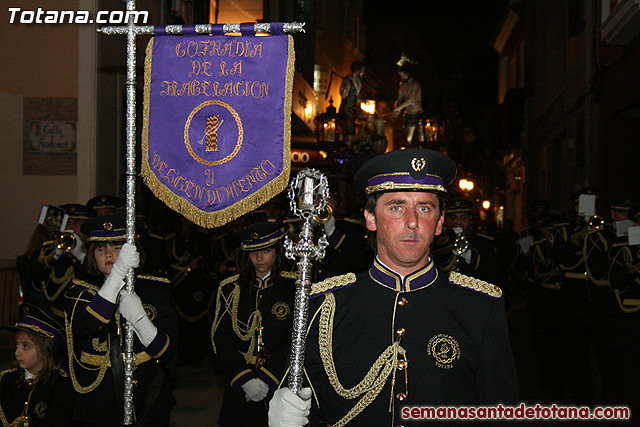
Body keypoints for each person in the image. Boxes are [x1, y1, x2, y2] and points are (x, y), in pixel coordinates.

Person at [268, 148, 519, 426]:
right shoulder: (325, 305)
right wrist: (289, 414)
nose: (412, 222)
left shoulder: (480, 306)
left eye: (424, 207)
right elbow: (308, 396)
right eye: (397, 207)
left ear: (439, 222)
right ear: (371, 218)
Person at [64, 215, 178, 426]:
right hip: (97, 401)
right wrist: (117, 275)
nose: (108, 253)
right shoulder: (79, 292)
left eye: (117, 247)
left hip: (147, 394)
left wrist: (140, 319)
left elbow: (168, 353)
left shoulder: (155, 289)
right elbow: (86, 327)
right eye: (100, 249)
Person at [211, 222, 296, 427]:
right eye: (254, 252)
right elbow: (220, 340)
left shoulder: (292, 287)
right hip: (241, 380)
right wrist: (244, 380)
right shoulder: (231, 289)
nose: (259, 258)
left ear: (277, 252)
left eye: (266, 251)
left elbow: (294, 340)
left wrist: (268, 377)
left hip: (279, 381)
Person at [1, 303, 74, 426]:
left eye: (26, 346)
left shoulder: (60, 385)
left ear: (45, 350)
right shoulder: (7, 380)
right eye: (16, 345)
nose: (17, 352)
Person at [392, 62, 424, 147]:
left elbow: (411, 99)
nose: (402, 78)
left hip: (416, 112)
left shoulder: (415, 84)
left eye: (404, 75)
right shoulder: (402, 85)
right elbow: (399, 98)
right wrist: (396, 111)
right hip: (407, 113)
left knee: (409, 138)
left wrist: (399, 108)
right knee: (405, 135)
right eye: (401, 76)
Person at [339, 61, 366, 147]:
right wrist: (345, 90)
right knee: (350, 130)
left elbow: (353, 96)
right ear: (358, 71)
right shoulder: (348, 80)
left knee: (368, 116)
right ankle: (348, 147)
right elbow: (344, 95)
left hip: (353, 107)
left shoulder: (358, 81)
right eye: (362, 71)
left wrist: (362, 101)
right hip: (347, 108)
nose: (363, 73)